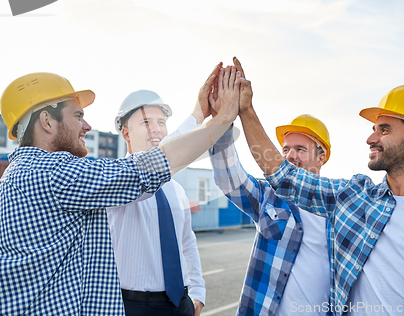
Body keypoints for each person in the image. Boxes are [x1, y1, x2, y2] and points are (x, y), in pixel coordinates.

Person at [235, 78, 404, 315]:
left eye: (384, 130)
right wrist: (246, 111)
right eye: (374, 129)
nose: (370, 138)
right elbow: (283, 177)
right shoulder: (354, 197)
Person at [0, 65, 241, 315]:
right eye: (78, 116)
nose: (87, 126)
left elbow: (185, 240)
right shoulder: (52, 174)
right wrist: (221, 118)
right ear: (47, 121)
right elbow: (146, 168)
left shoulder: (19, 174)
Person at [209, 58, 332, 315]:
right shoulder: (269, 196)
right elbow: (228, 177)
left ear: (322, 157)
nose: (289, 156)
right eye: (285, 149)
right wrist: (223, 120)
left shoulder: (342, 208)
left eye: (300, 149)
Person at [107, 89, 205, 316]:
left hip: (180, 303)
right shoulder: (113, 180)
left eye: (161, 122)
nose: (156, 129)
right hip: (132, 306)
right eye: (146, 122)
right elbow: (150, 166)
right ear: (126, 133)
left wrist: (197, 294)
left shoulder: (176, 190)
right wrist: (197, 117)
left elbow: (187, 241)